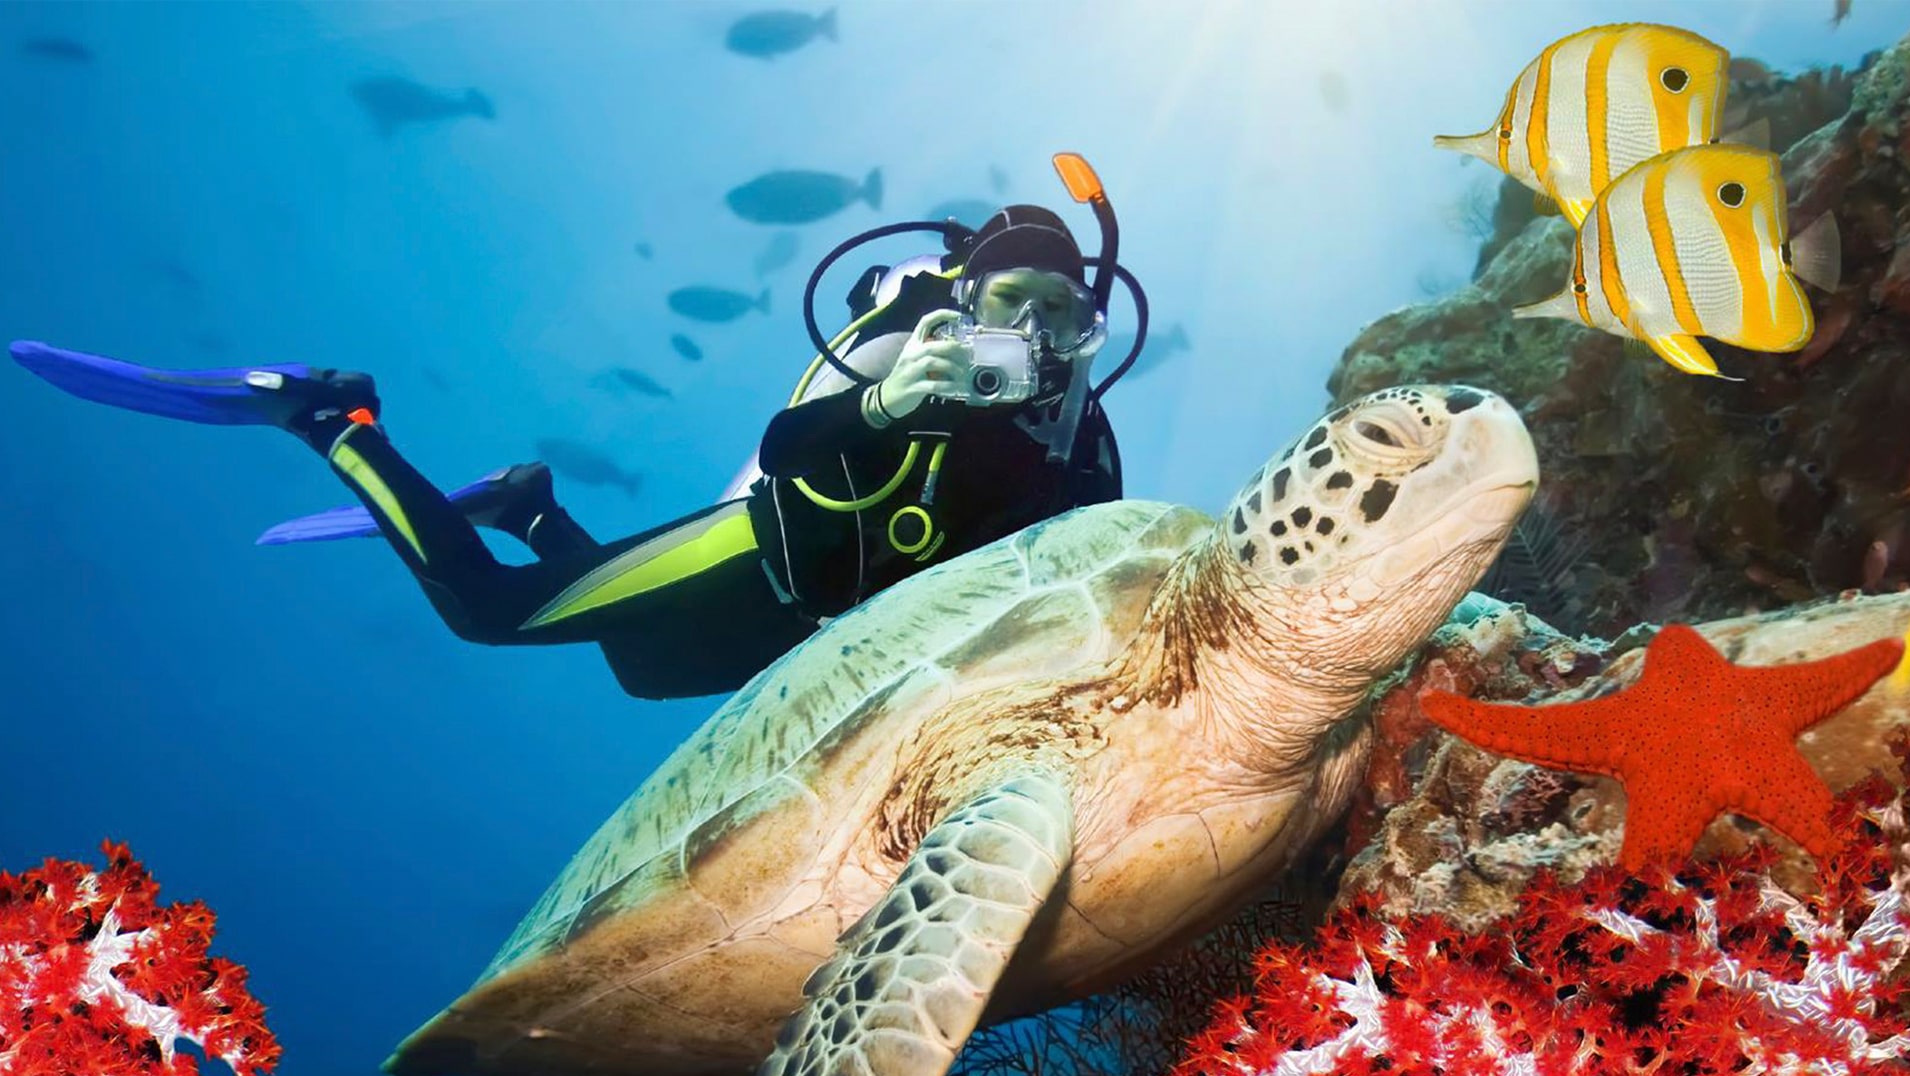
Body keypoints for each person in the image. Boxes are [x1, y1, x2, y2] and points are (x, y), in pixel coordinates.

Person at [10, 171, 1148, 699]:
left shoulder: (1080, 437)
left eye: (1067, 314)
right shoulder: (923, 348)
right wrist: (896, 402)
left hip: (814, 621)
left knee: (642, 673)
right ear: (973, 300)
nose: (1042, 333)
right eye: (1018, 305)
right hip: (762, 546)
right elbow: (793, 441)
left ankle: (528, 502)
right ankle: (336, 416)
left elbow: (1094, 566)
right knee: (495, 615)